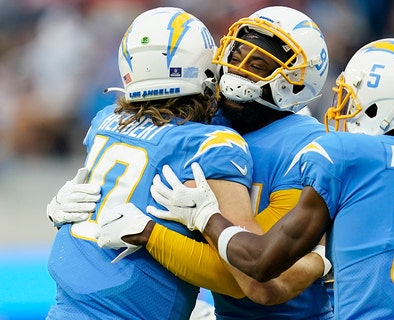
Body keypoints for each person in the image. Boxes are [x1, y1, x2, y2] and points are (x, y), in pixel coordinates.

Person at [148, 38, 394, 319]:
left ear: (383, 103)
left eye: (354, 97)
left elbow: (260, 264)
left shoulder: (346, 154)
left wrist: (205, 217)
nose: (346, 108)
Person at [48, 5, 334, 319]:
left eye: (258, 65)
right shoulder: (210, 120)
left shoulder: (304, 148)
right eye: (236, 57)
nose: (237, 72)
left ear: (294, 83)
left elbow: (259, 277)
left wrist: (161, 233)